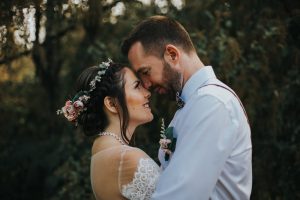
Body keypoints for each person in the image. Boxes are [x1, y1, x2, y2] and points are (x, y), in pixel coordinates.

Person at [121, 15, 252, 199]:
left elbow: (180, 195)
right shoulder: (192, 104)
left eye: (146, 72)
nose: (146, 84)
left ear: (172, 55)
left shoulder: (211, 103)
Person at [57, 59, 161, 200]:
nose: (147, 93)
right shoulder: (128, 159)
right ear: (111, 104)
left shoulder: (100, 153)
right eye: (137, 86)